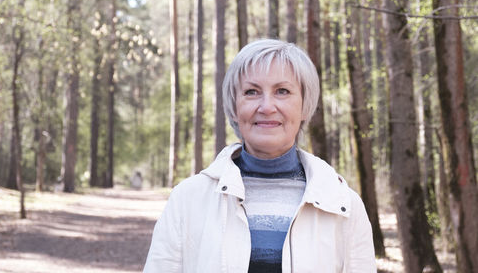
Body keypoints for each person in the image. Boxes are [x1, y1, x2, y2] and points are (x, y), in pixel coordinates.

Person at [143, 39, 376, 272]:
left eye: (282, 91)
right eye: (251, 92)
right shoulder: (188, 199)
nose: (266, 107)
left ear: (305, 105)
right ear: (234, 107)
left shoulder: (343, 204)